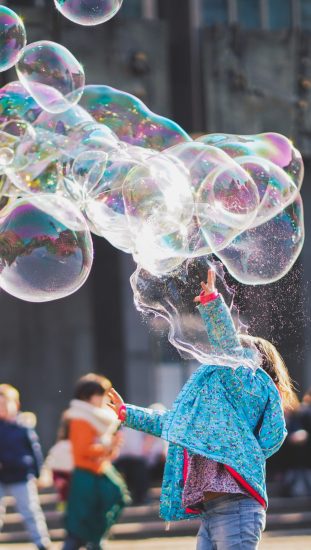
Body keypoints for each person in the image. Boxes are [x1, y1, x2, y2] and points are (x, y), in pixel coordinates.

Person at [108, 269, 297, 550]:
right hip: (213, 510)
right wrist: (127, 413)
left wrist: (211, 303)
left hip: (236, 508)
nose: (218, 357)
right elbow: (172, 423)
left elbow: (229, 350)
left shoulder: (247, 384)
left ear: (253, 363)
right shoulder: (215, 413)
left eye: (234, 352)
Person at [62, 373, 129, 550]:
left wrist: (111, 447)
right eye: (100, 394)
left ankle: (95, 540)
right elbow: (83, 450)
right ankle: (94, 541)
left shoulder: (98, 417)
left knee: (111, 502)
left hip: (98, 470)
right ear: (88, 396)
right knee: (80, 522)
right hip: (86, 473)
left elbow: (104, 450)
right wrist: (108, 447)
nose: (104, 399)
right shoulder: (80, 418)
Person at [0, 383, 51, 550]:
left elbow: (35, 451)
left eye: (5, 404)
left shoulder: (23, 427)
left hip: (21, 475)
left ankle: (41, 542)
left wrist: (38, 472)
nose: (2, 408)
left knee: (30, 511)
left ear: (16, 405)